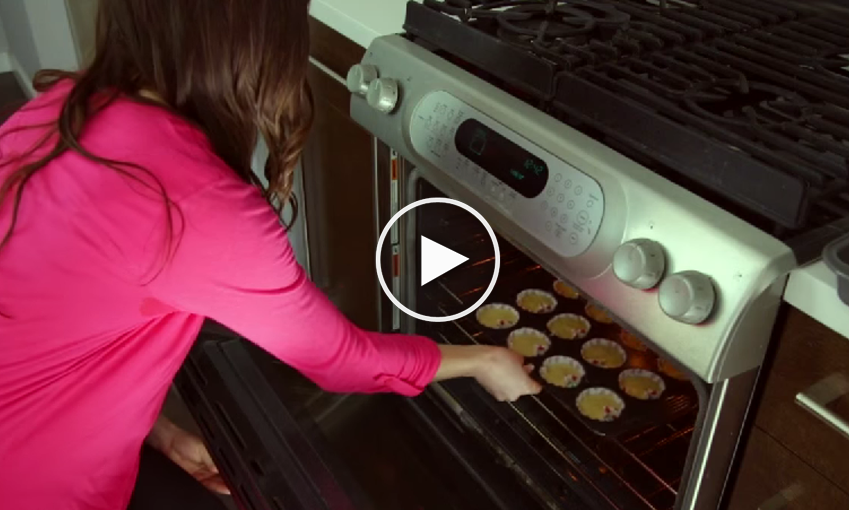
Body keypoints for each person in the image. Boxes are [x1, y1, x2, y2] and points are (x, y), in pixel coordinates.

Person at [0, 1, 542, 509]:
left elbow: (47, 346)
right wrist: (485, 361)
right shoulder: (195, 202)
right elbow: (343, 361)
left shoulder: (57, 109)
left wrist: (150, 431)